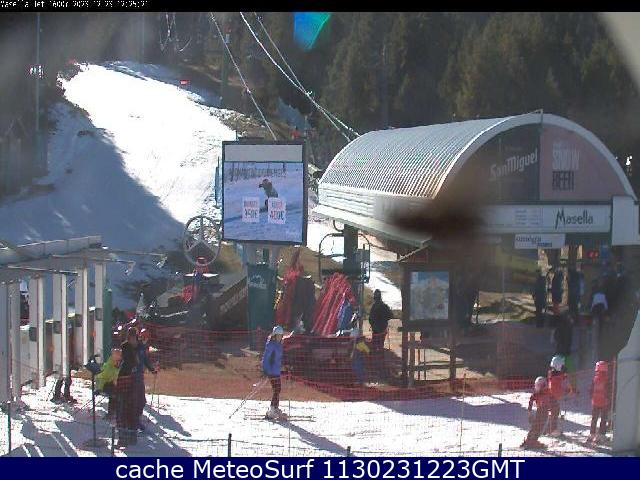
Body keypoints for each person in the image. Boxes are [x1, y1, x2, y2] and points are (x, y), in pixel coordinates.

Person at [117, 327, 140, 447]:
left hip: (133, 380)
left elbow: (137, 362)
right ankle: (123, 436)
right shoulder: (125, 347)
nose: (133, 339)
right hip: (125, 378)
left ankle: (132, 435)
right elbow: (128, 362)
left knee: (132, 408)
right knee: (123, 409)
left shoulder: (138, 347)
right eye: (132, 337)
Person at [134, 328, 157, 432]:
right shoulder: (136, 346)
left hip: (139, 375)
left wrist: (152, 370)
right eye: (144, 337)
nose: (145, 339)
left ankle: (137, 419)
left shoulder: (143, 347)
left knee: (142, 400)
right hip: (133, 376)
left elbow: (145, 360)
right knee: (136, 399)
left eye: (147, 337)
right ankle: (133, 421)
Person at [262, 325, 286, 420]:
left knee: (278, 389)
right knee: (277, 389)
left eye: (281, 335)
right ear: (274, 336)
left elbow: (278, 358)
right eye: (278, 335)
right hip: (271, 371)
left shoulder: (279, 345)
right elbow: (266, 358)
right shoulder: (271, 345)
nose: (279, 337)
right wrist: (266, 369)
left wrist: (283, 365)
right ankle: (272, 410)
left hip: (276, 370)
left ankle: (275, 408)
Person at [521, 376, 551, 449]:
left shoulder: (545, 392)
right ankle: (532, 441)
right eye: (537, 386)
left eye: (538, 386)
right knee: (538, 426)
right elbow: (531, 400)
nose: (537, 388)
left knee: (536, 426)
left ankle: (530, 440)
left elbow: (550, 401)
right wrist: (529, 410)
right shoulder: (540, 393)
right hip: (541, 411)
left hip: (543, 410)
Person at [547, 355, 573, 437]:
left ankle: (550, 429)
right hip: (553, 397)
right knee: (554, 413)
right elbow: (557, 387)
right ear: (558, 366)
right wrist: (566, 390)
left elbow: (560, 382)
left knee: (555, 413)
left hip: (553, 397)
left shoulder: (553, 374)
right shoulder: (556, 375)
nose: (562, 367)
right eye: (561, 366)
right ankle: (552, 430)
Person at [368, 289, 393, 375]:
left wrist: (374, 325)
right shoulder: (384, 306)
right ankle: (381, 366)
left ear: (375, 297)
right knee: (380, 348)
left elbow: (370, 319)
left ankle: (375, 366)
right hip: (382, 331)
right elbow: (390, 315)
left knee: (374, 349)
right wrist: (384, 320)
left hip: (376, 332)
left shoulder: (374, 307)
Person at [96, 348, 122, 420]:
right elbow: (102, 378)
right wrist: (99, 389)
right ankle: (111, 413)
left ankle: (117, 413)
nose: (119, 357)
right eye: (117, 355)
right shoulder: (109, 366)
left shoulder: (118, 364)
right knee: (114, 395)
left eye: (120, 355)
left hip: (114, 384)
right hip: (104, 384)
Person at [588, 360, 611, 443]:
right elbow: (609, 391)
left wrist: (592, 397)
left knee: (594, 419)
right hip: (604, 402)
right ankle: (601, 435)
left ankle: (592, 434)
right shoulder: (607, 379)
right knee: (603, 419)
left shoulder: (595, 379)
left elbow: (591, 390)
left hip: (595, 402)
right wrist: (609, 398)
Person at [553, 313, 576, 391]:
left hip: (561, 352)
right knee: (567, 370)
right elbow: (560, 339)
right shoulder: (566, 327)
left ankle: (571, 387)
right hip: (562, 353)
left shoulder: (566, 327)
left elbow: (555, 338)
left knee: (560, 371)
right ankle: (572, 388)